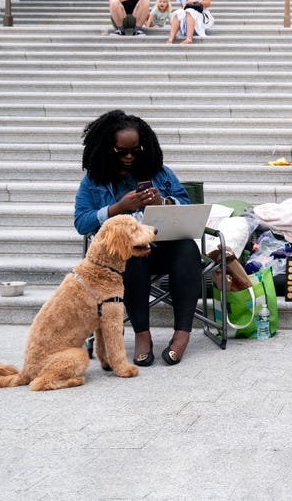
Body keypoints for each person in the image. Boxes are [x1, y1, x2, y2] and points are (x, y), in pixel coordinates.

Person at [74, 110, 202, 367]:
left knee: (188, 248)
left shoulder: (160, 172)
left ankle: (182, 334)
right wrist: (117, 208)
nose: (130, 157)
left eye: (136, 150)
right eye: (122, 151)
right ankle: (142, 335)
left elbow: (185, 203)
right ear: (108, 149)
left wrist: (164, 201)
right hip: (123, 260)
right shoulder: (93, 181)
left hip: (164, 249)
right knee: (131, 254)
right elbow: (81, 222)